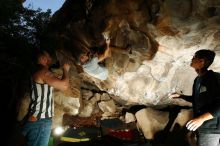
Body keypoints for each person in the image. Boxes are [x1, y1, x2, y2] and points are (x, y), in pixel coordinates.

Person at [171, 49, 220, 146]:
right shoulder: (197, 80)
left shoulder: (215, 78)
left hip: (212, 128)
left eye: (194, 57)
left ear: (201, 62)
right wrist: (181, 96)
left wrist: (201, 119)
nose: (191, 59)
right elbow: (197, 100)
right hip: (201, 126)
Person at [22, 50, 70, 146]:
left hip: (38, 121)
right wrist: (66, 70)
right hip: (40, 122)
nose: (51, 59)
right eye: (49, 57)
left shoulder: (39, 73)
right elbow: (64, 86)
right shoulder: (43, 72)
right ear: (43, 59)